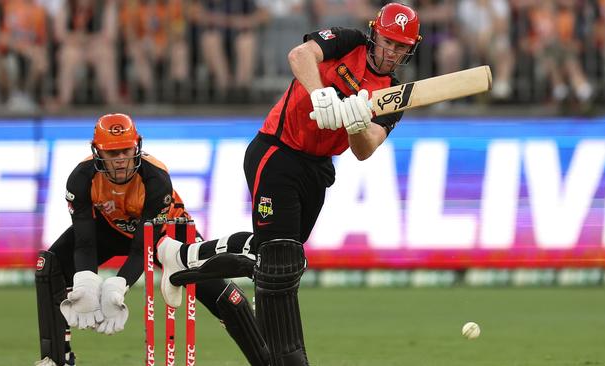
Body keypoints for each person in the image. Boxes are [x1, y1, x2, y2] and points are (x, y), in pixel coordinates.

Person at [156, 3, 421, 365]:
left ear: (410, 49)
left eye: (400, 47)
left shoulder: (393, 92)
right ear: (375, 33)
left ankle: (181, 258)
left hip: (317, 170)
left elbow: (366, 148)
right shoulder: (349, 42)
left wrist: (356, 123)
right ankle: (289, 358)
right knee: (279, 259)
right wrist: (321, 94)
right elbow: (300, 55)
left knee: (276, 256)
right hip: (278, 151)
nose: (391, 52)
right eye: (388, 41)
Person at [35, 113, 268, 366]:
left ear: (137, 146)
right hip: (112, 227)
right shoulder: (81, 178)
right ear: (97, 152)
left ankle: (268, 359)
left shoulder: (155, 178)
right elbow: (85, 241)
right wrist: (86, 283)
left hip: (167, 232)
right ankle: (58, 358)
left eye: (126, 150)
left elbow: (141, 249)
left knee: (220, 295)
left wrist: (118, 286)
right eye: (113, 154)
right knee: (50, 265)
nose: (121, 160)